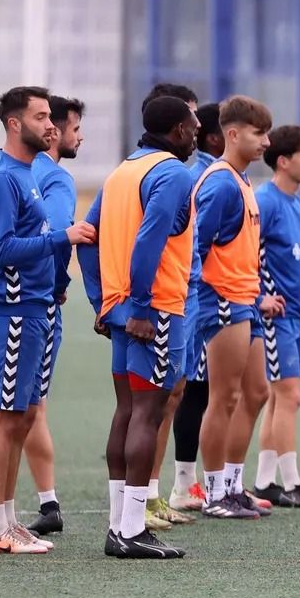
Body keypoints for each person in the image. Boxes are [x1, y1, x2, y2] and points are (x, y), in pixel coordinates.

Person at [0, 87, 93, 554]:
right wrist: (59, 239)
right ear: (15, 124)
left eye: (52, 117)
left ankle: (7, 520)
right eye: (41, 116)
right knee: (4, 418)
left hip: (28, 308)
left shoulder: (26, 173)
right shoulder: (1, 179)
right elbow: (2, 247)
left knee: (21, 416)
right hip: (12, 312)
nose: (51, 124)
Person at [78, 95, 202, 559]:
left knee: (127, 412)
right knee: (148, 415)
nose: (195, 133)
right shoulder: (172, 173)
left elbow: (86, 240)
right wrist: (144, 306)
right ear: (175, 131)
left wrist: (103, 300)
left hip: (121, 311)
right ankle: (131, 531)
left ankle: (119, 526)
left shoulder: (120, 172)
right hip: (156, 313)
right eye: (191, 126)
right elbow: (151, 237)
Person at [192, 96, 280, 520]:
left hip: (246, 300)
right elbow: (195, 246)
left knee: (257, 391)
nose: (266, 141)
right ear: (232, 134)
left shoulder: (241, 181)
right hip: (224, 300)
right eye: (258, 133)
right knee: (223, 396)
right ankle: (213, 493)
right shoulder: (221, 182)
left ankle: (232, 485)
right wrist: (212, 293)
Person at [250, 125, 300, 509]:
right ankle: (292, 483)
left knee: (278, 398)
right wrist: (260, 296)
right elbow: (244, 253)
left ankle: (264, 481)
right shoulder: (263, 201)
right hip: (275, 314)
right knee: (289, 395)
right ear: (283, 161)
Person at [168, 97, 221, 516]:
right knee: (186, 391)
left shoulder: (211, 173)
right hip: (194, 299)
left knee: (193, 391)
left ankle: (186, 483)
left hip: (197, 297)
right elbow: (192, 241)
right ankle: (180, 484)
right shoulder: (199, 175)